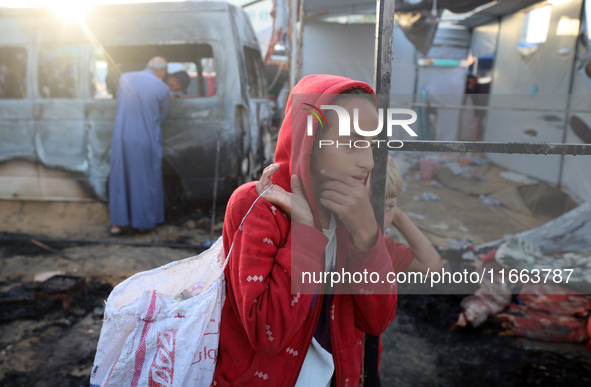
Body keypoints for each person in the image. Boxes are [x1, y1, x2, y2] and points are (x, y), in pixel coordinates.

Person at [213, 75, 398, 386]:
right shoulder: (258, 204)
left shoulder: (356, 209)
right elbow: (266, 332)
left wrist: (366, 235)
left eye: (373, 145)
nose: (368, 161)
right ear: (309, 142)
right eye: (353, 142)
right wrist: (306, 232)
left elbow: (376, 321)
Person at [108, 56, 171, 235]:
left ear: (146, 65)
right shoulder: (162, 88)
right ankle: (142, 223)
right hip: (146, 138)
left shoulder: (125, 78)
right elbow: (162, 116)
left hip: (122, 135)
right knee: (145, 180)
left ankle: (117, 225)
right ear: (163, 72)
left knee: (120, 178)